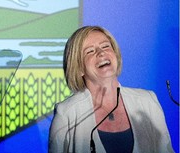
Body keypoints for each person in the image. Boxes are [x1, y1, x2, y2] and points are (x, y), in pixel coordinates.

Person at [48, 25, 174, 153]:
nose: (101, 53)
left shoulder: (147, 101)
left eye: (105, 46)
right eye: (90, 51)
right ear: (79, 68)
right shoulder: (67, 113)